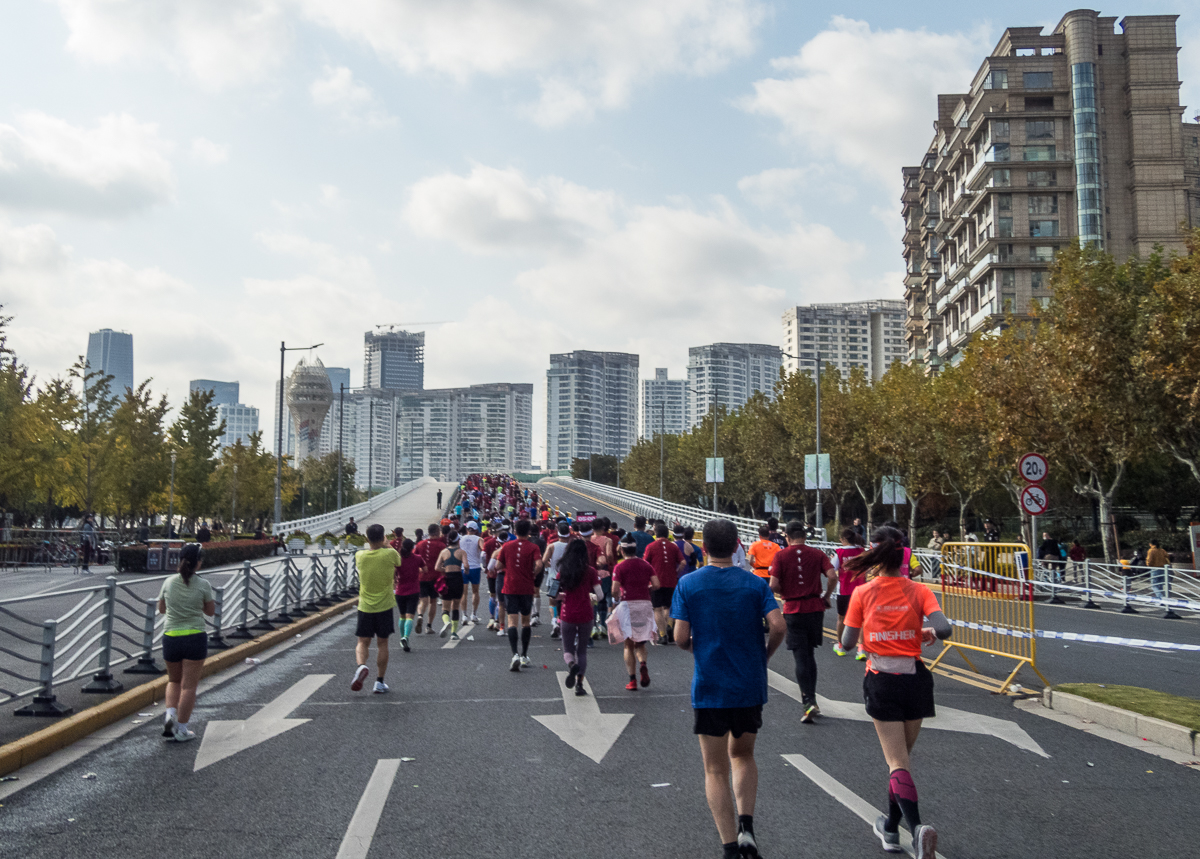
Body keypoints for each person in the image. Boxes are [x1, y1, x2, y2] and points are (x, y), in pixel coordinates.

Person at [671, 519, 784, 859]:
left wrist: (699, 648)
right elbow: (778, 625)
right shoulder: (754, 584)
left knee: (715, 768)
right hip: (749, 685)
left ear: (703, 547)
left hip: (710, 687)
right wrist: (763, 656)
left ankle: (729, 847)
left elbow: (678, 638)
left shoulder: (689, 584)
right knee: (744, 755)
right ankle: (747, 827)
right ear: (737, 545)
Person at [841, 527, 952, 859]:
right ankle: (890, 828)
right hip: (915, 678)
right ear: (904, 554)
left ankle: (917, 829)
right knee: (901, 761)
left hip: (882, 678)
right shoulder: (918, 590)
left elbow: (847, 643)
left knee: (896, 762)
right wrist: (922, 629)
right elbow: (944, 628)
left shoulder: (864, 592)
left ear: (875, 555)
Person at [768, 519, 835, 723]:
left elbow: (773, 584)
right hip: (815, 608)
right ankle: (812, 698)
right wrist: (826, 596)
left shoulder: (780, 555)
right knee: (810, 653)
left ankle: (808, 701)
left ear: (786, 537)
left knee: (800, 656)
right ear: (805, 536)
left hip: (793, 609)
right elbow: (832, 576)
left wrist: (786, 591)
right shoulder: (817, 554)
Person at [157, 542, 214, 742]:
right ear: (198, 563)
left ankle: (169, 723)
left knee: (173, 681)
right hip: (195, 638)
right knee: (188, 686)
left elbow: (161, 609)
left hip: (171, 637)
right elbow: (210, 611)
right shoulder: (203, 584)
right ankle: (181, 730)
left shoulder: (169, 582)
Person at [352, 524, 400, 694]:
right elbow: (398, 562)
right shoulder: (390, 553)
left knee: (362, 642)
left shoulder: (360, 556)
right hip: (385, 605)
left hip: (365, 606)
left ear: (367, 539)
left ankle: (361, 666)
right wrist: (387, 545)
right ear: (383, 537)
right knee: (383, 643)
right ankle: (379, 682)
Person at [495, 518, 544, 671]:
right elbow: (539, 564)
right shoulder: (533, 547)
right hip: (526, 587)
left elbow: (497, 566)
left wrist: (508, 566)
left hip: (510, 587)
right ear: (529, 532)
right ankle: (524, 655)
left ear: (514, 531)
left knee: (512, 622)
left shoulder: (507, 546)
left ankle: (515, 654)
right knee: (525, 622)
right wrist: (533, 573)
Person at [612, 533, 659, 690]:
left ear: (623, 551)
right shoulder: (646, 565)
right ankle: (643, 664)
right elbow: (657, 584)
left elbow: (614, 590)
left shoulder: (620, 567)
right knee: (641, 642)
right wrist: (647, 588)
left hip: (628, 606)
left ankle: (632, 680)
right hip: (645, 605)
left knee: (628, 644)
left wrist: (618, 595)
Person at [556, 539, 603, 696]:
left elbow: (552, 594)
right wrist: (591, 597)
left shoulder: (562, 571)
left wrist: (562, 595)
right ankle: (579, 684)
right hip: (586, 614)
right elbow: (600, 595)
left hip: (567, 614)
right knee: (582, 651)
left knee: (568, 650)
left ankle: (571, 665)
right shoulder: (590, 571)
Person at [644, 523, 685, 644]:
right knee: (668, 606)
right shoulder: (673, 547)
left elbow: (646, 563)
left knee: (657, 608)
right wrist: (676, 571)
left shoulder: (651, 546)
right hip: (671, 580)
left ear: (656, 533)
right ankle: (669, 625)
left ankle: (662, 635)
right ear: (667, 534)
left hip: (656, 581)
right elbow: (682, 562)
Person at [831, 527, 867, 659]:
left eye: (841, 539)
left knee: (841, 618)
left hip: (844, 589)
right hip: (861, 590)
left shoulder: (839, 552)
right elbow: (867, 568)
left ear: (844, 539)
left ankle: (840, 646)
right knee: (863, 620)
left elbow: (832, 568)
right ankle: (861, 649)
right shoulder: (862, 551)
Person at [435, 530, 468, 640]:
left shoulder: (444, 552)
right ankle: (454, 632)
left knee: (445, 607)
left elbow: (437, 567)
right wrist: (466, 571)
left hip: (447, 579)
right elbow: (466, 566)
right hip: (458, 579)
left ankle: (446, 622)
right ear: (458, 540)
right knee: (455, 606)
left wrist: (445, 569)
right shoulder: (461, 552)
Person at [414, 524, 446, 635]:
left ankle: (419, 615)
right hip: (435, 577)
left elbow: (414, 558)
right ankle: (429, 626)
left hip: (421, 576)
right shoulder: (441, 546)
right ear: (437, 532)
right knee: (433, 601)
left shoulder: (420, 544)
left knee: (423, 600)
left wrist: (419, 568)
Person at [393, 539, 423, 652]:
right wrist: (416, 570)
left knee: (402, 616)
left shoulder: (398, 560)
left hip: (400, 591)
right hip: (414, 590)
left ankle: (402, 638)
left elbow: (394, 573)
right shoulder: (417, 558)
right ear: (412, 548)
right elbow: (424, 569)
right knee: (410, 616)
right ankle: (406, 637)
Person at [460, 520, 484, 623]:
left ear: (467, 529)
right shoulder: (479, 539)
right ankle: (473, 614)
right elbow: (483, 552)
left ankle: (464, 615)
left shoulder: (461, 539)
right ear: (476, 530)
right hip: (475, 567)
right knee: (475, 592)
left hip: (463, 567)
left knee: (464, 593)